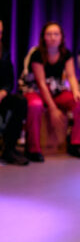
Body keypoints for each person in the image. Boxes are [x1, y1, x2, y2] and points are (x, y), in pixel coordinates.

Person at [19, 22, 80, 160]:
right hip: (35, 90)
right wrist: (52, 109)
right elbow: (41, 84)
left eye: (56, 34)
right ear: (43, 37)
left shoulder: (65, 53)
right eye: (49, 34)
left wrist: (76, 93)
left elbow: (71, 76)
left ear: (61, 37)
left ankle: (76, 144)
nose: (52, 37)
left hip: (55, 90)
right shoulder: (37, 54)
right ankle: (33, 149)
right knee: (35, 105)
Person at [1, 19, 29, 165]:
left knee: (19, 101)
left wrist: (4, 91)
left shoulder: (3, 53)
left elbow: (9, 80)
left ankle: (10, 148)